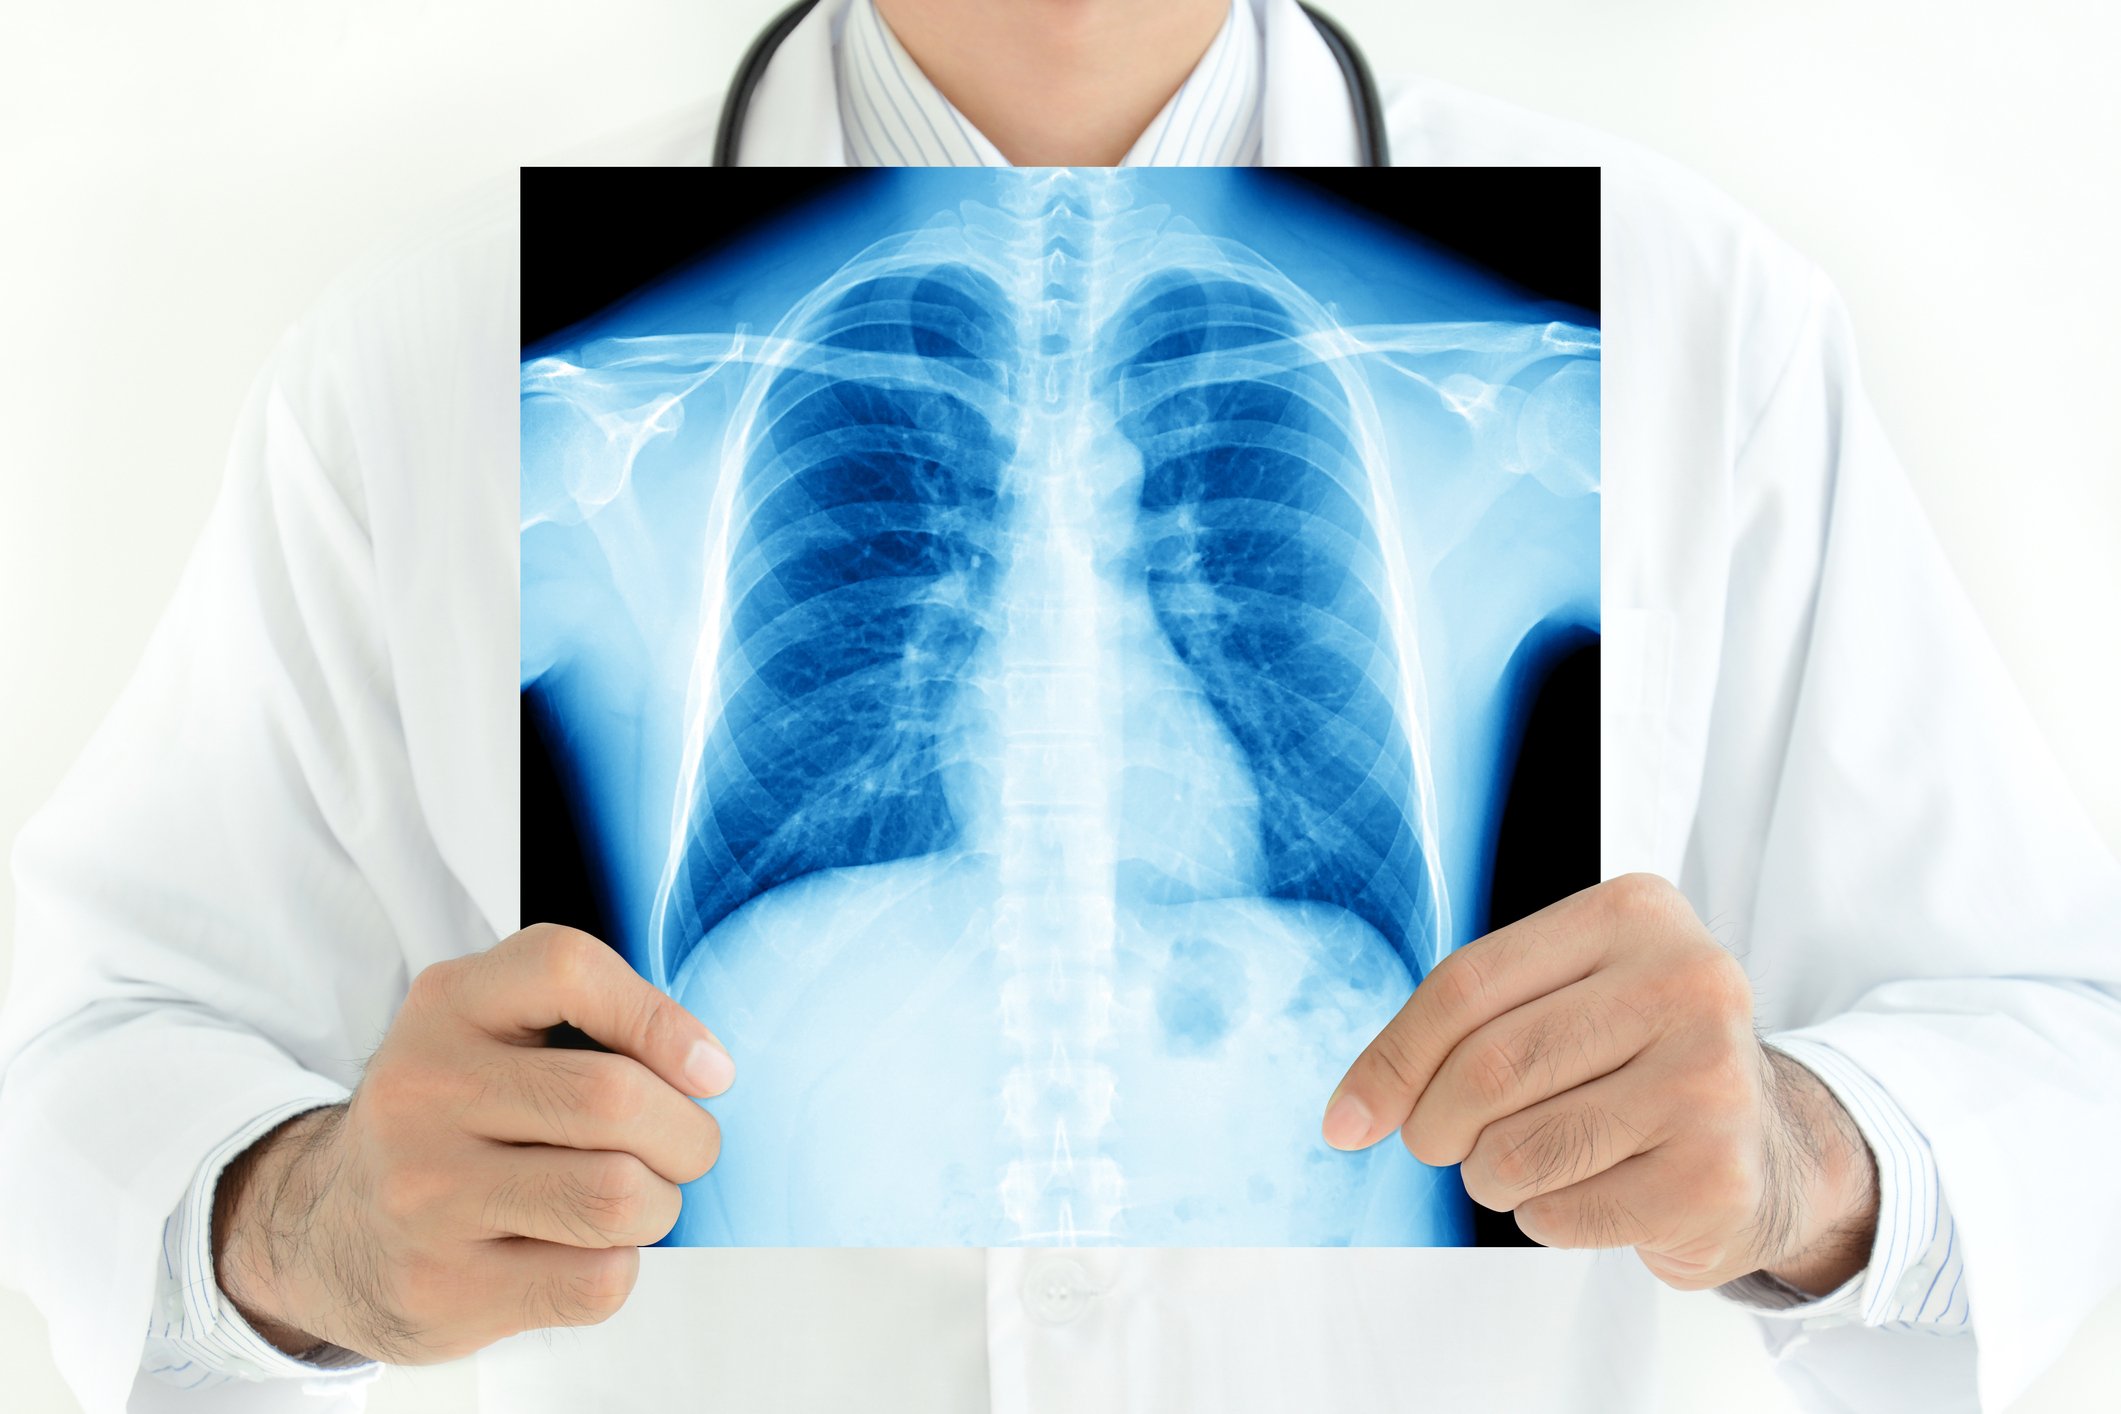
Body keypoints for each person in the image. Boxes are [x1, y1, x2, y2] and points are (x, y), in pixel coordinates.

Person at [1, 0, 2116, 1410]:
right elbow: (72, 1053)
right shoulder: (420, 352)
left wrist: (1797, 1161)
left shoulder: (1687, 311)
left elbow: (2061, 1049)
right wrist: (310, 1217)